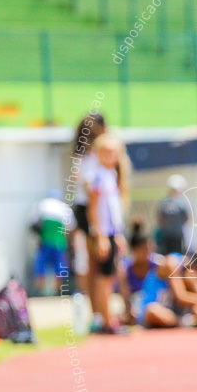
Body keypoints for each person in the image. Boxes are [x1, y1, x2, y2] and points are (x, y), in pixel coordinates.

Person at [120, 220, 197, 328]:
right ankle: (187, 321)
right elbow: (181, 297)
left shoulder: (185, 270)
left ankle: (195, 319)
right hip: (150, 311)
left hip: (169, 309)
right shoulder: (170, 264)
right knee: (153, 311)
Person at [67, 112, 106, 326]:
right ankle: (98, 314)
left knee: (90, 266)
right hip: (90, 210)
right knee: (95, 266)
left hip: (83, 210)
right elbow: (91, 190)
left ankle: (97, 313)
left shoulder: (80, 155)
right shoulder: (91, 157)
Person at [87, 135, 128, 334]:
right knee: (104, 277)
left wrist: (118, 234)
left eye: (114, 152)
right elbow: (93, 209)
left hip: (112, 232)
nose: (111, 156)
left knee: (111, 277)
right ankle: (106, 319)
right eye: (106, 152)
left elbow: (113, 210)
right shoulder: (98, 176)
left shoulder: (111, 175)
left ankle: (109, 317)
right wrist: (100, 236)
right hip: (103, 233)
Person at [31, 190, 74, 296]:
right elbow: (71, 227)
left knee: (40, 266)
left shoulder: (42, 205)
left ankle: (39, 291)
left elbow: (33, 223)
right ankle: (58, 291)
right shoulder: (64, 208)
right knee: (59, 268)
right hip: (59, 243)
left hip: (45, 241)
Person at [155, 174, 191, 256]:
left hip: (178, 236)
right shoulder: (164, 203)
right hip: (167, 236)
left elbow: (187, 218)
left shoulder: (182, 203)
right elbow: (160, 219)